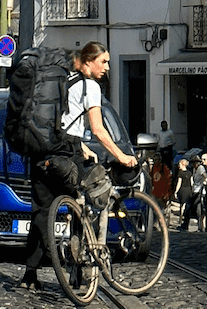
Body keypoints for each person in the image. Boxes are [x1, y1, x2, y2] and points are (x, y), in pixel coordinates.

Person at [21, 42, 137, 291]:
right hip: (66, 152)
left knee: (42, 211)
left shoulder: (62, 79)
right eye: (103, 62)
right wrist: (121, 156)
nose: (107, 67)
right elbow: (98, 129)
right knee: (83, 202)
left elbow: (61, 123)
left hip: (43, 150)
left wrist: (83, 148)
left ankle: (30, 274)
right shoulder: (90, 86)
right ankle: (77, 266)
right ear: (88, 61)